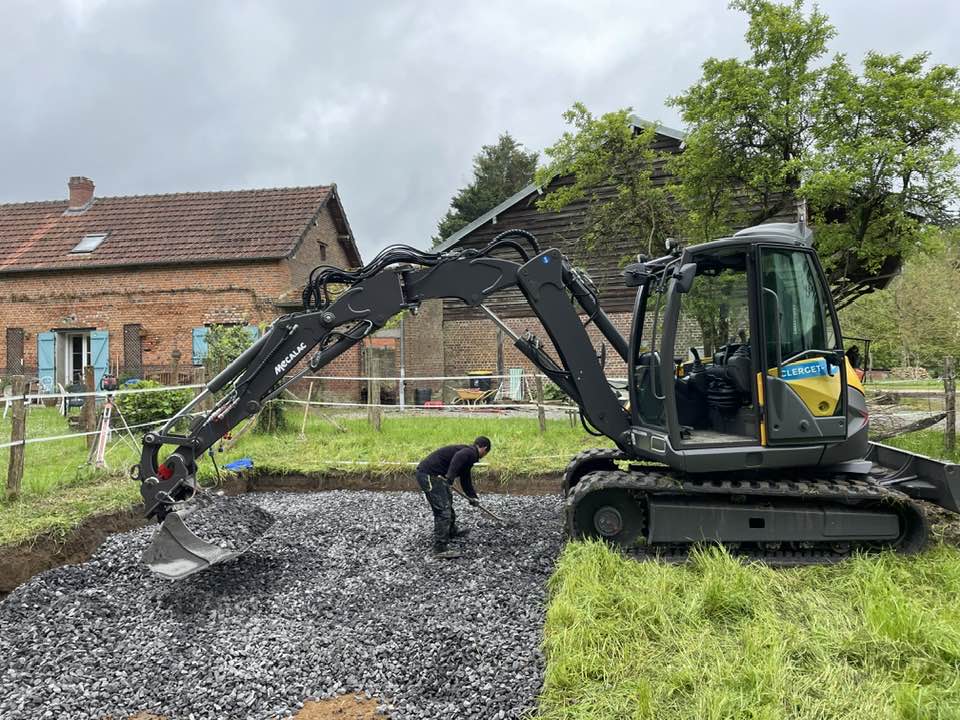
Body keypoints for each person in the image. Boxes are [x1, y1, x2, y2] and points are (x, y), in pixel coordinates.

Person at [415, 436, 491, 559]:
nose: (483, 456)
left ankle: (451, 531)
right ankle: (440, 548)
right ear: (484, 448)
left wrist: (472, 497)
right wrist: (450, 478)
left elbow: (465, 478)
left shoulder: (469, 456)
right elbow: (458, 457)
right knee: (442, 510)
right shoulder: (470, 452)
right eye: (485, 453)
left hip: (437, 476)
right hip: (429, 475)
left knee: (447, 502)